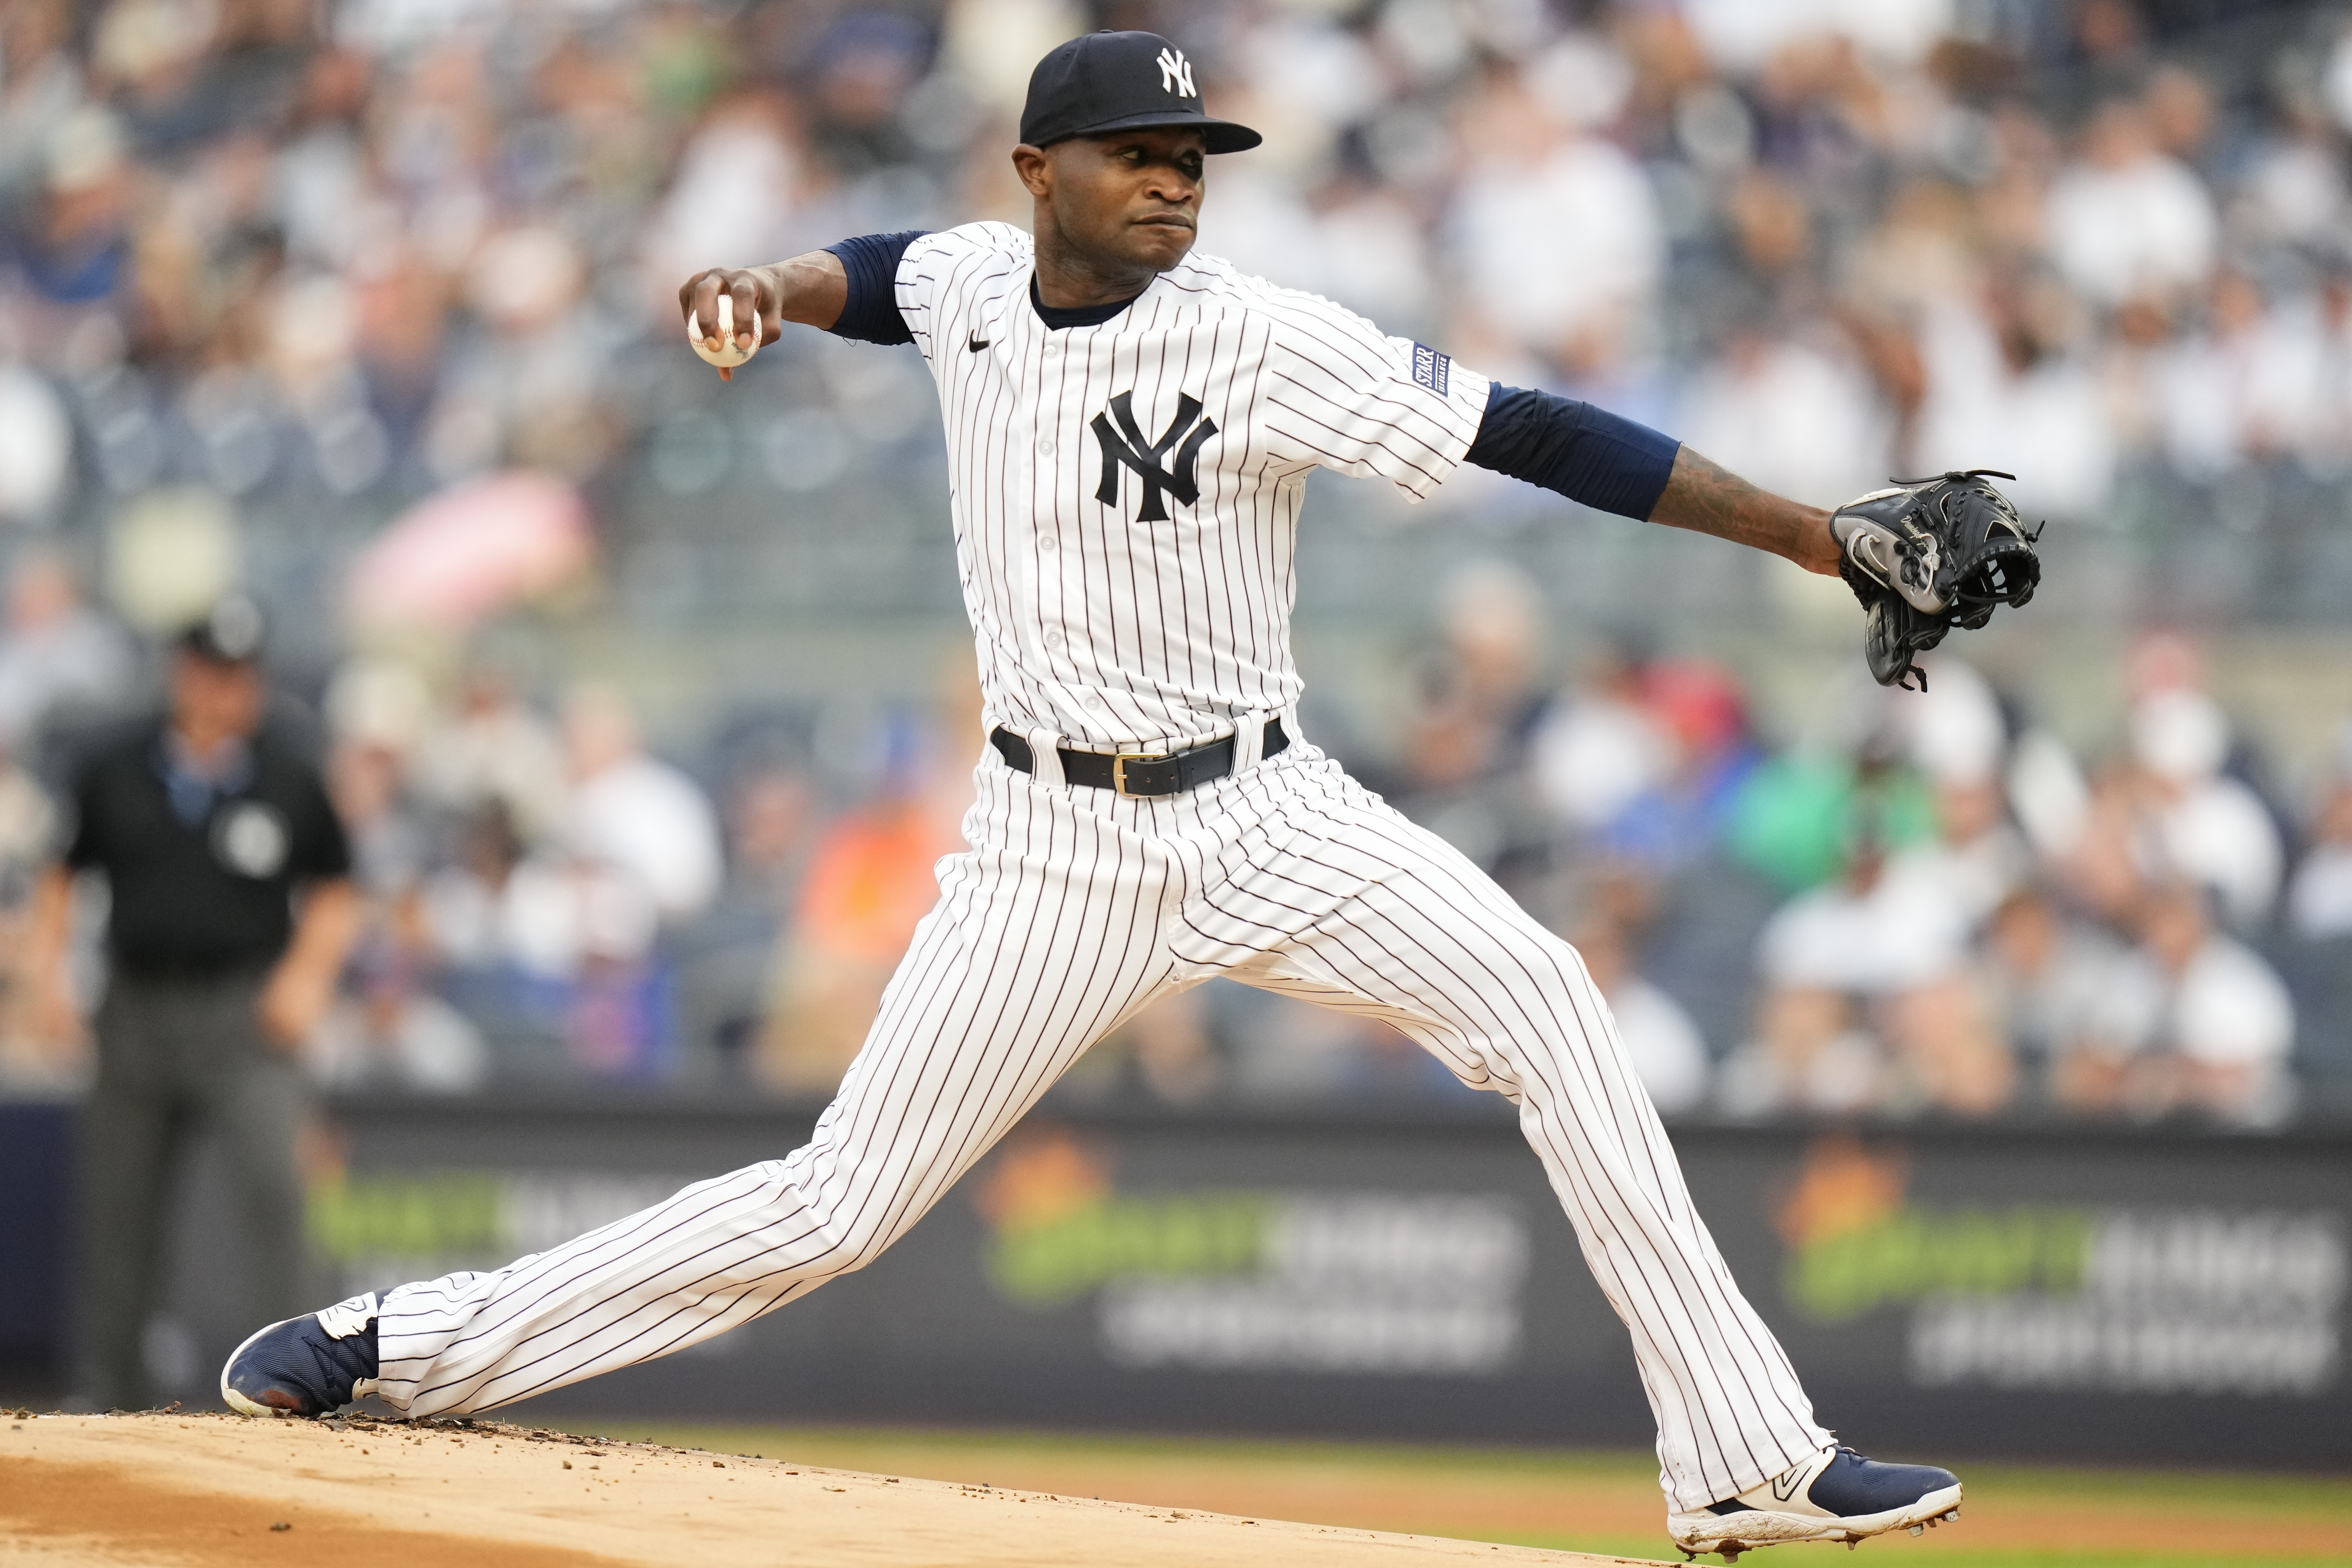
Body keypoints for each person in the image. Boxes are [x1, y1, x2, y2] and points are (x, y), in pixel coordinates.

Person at [220, 33, 1961, 1557]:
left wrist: (1816, 537)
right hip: (1050, 850)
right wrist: (769, 281)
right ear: (1038, 171)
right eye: (1139, 153)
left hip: (1270, 815)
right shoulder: (980, 283)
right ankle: (401, 1349)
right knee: (837, 1206)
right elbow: (881, 272)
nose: (1175, 183)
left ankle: (1745, 1456)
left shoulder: (1260, 338)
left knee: (1551, 1001)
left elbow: (1534, 431)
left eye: (1194, 158)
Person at [26, 596, 356, 1410]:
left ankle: (306, 1384)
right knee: (120, 1208)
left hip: (246, 1012)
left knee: (278, 1193)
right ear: (181, 675)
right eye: (212, 674)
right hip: (135, 1005)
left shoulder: (289, 766)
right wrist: (49, 977)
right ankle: (113, 1390)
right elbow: (63, 875)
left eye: (241, 677)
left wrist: (306, 977)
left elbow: (338, 887)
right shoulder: (114, 763)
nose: (225, 693)